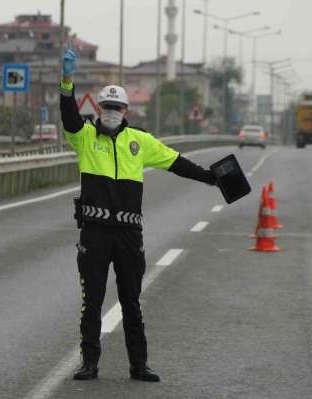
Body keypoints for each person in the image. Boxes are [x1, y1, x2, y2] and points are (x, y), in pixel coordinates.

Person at [60, 41, 217, 382]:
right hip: (95, 234)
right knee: (93, 301)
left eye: (117, 107)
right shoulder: (85, 137)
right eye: (107, 106)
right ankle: (89, 363)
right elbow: (70, 118)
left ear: (126, 110)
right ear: (99, 108)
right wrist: (67, 83)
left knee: (132, 302)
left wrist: (211, 178)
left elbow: (177, 163)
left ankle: (138, 365)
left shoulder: (140, 142)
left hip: (129, 236)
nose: (111, 111)